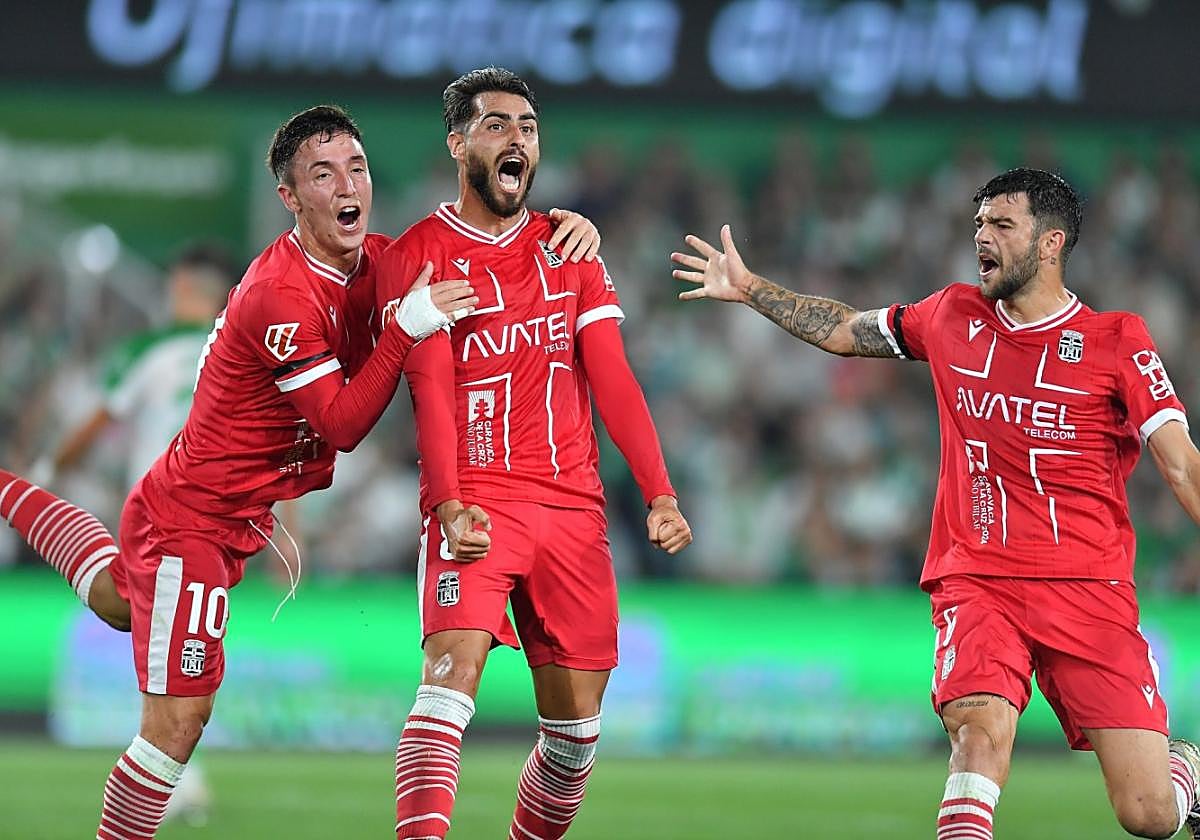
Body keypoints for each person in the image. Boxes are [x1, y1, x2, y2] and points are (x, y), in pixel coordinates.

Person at [0, 103, 602, 840]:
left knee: (119, 597)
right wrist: (408, 326)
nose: (348, 185)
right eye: (323, 173)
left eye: (356, 167)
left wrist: (561, 230)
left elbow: (475, 246)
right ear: (290, 198)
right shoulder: (277, 294)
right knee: (177, 729)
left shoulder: (379, 260)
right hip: (194, 521)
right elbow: (343, 426)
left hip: (231, 510)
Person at [672, 167, 1200, 840]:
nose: (982, 235)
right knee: (979, 740)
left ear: (1050, 243)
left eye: (1002, 224)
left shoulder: (1117, 340)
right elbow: (845, 330)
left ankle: (1185, 769)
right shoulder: (952, 316)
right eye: (978, 223)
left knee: (1148, 814)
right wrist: (750, 289)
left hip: (1087, 588)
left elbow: (1181, 464)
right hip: (978, 581)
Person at [378, 67, 693, 840]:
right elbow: (428, 391)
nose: (517, 138)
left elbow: (612, 378)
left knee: (575, 739)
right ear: (457, 144)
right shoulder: (415, 254)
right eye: (496, 125)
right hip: (478, 498)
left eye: (528, 126)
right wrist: (447, 503)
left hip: (574, 508)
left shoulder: (570, 248)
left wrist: (658, 491)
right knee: (449, 681)